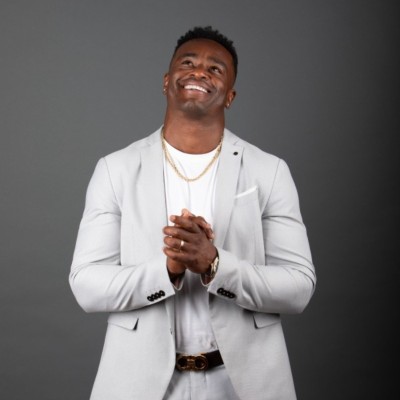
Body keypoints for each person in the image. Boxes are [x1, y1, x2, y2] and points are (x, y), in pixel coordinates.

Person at [70, 26, 316, 400]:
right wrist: (167, 270)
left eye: (215, 69)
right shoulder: (115, 169)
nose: (200, 71)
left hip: (242, 385)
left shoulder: (269, 171)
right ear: (166, 81)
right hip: (139, 385)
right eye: (188, 63)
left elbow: (298, 287)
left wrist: (215, 264)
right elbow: (86, 285)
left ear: (230, 96)